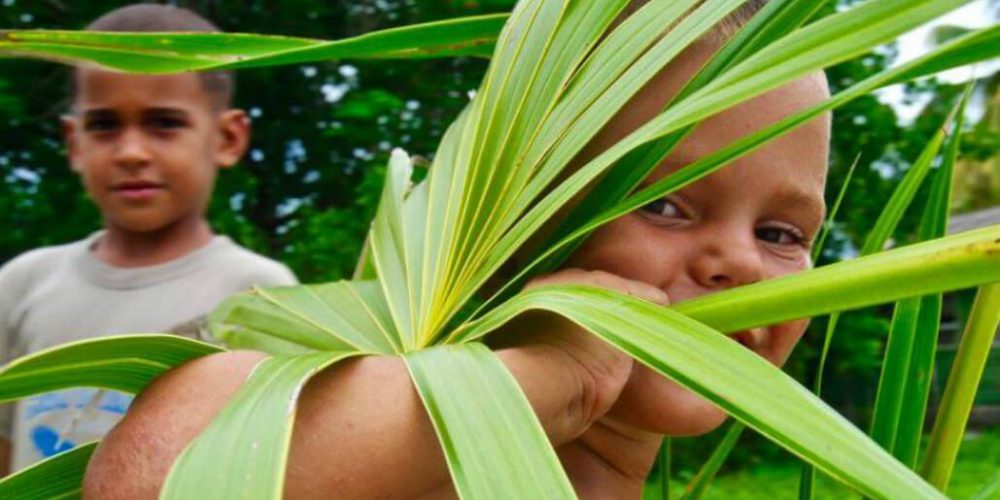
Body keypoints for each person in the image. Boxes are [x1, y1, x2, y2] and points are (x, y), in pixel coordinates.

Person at [85, 0, 829, 498]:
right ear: (505, 218)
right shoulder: (408, 444)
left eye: (781, 235)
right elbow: (151, 476)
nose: (738, 261)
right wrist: (550, 380)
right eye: (663, 205)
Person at [0, 4, 298, 475]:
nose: (132, 152)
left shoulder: (262, 292)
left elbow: (278, 462)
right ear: (74, 142)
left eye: (164, 123)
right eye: (104, 125)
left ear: (227, 138)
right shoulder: (21, 283)